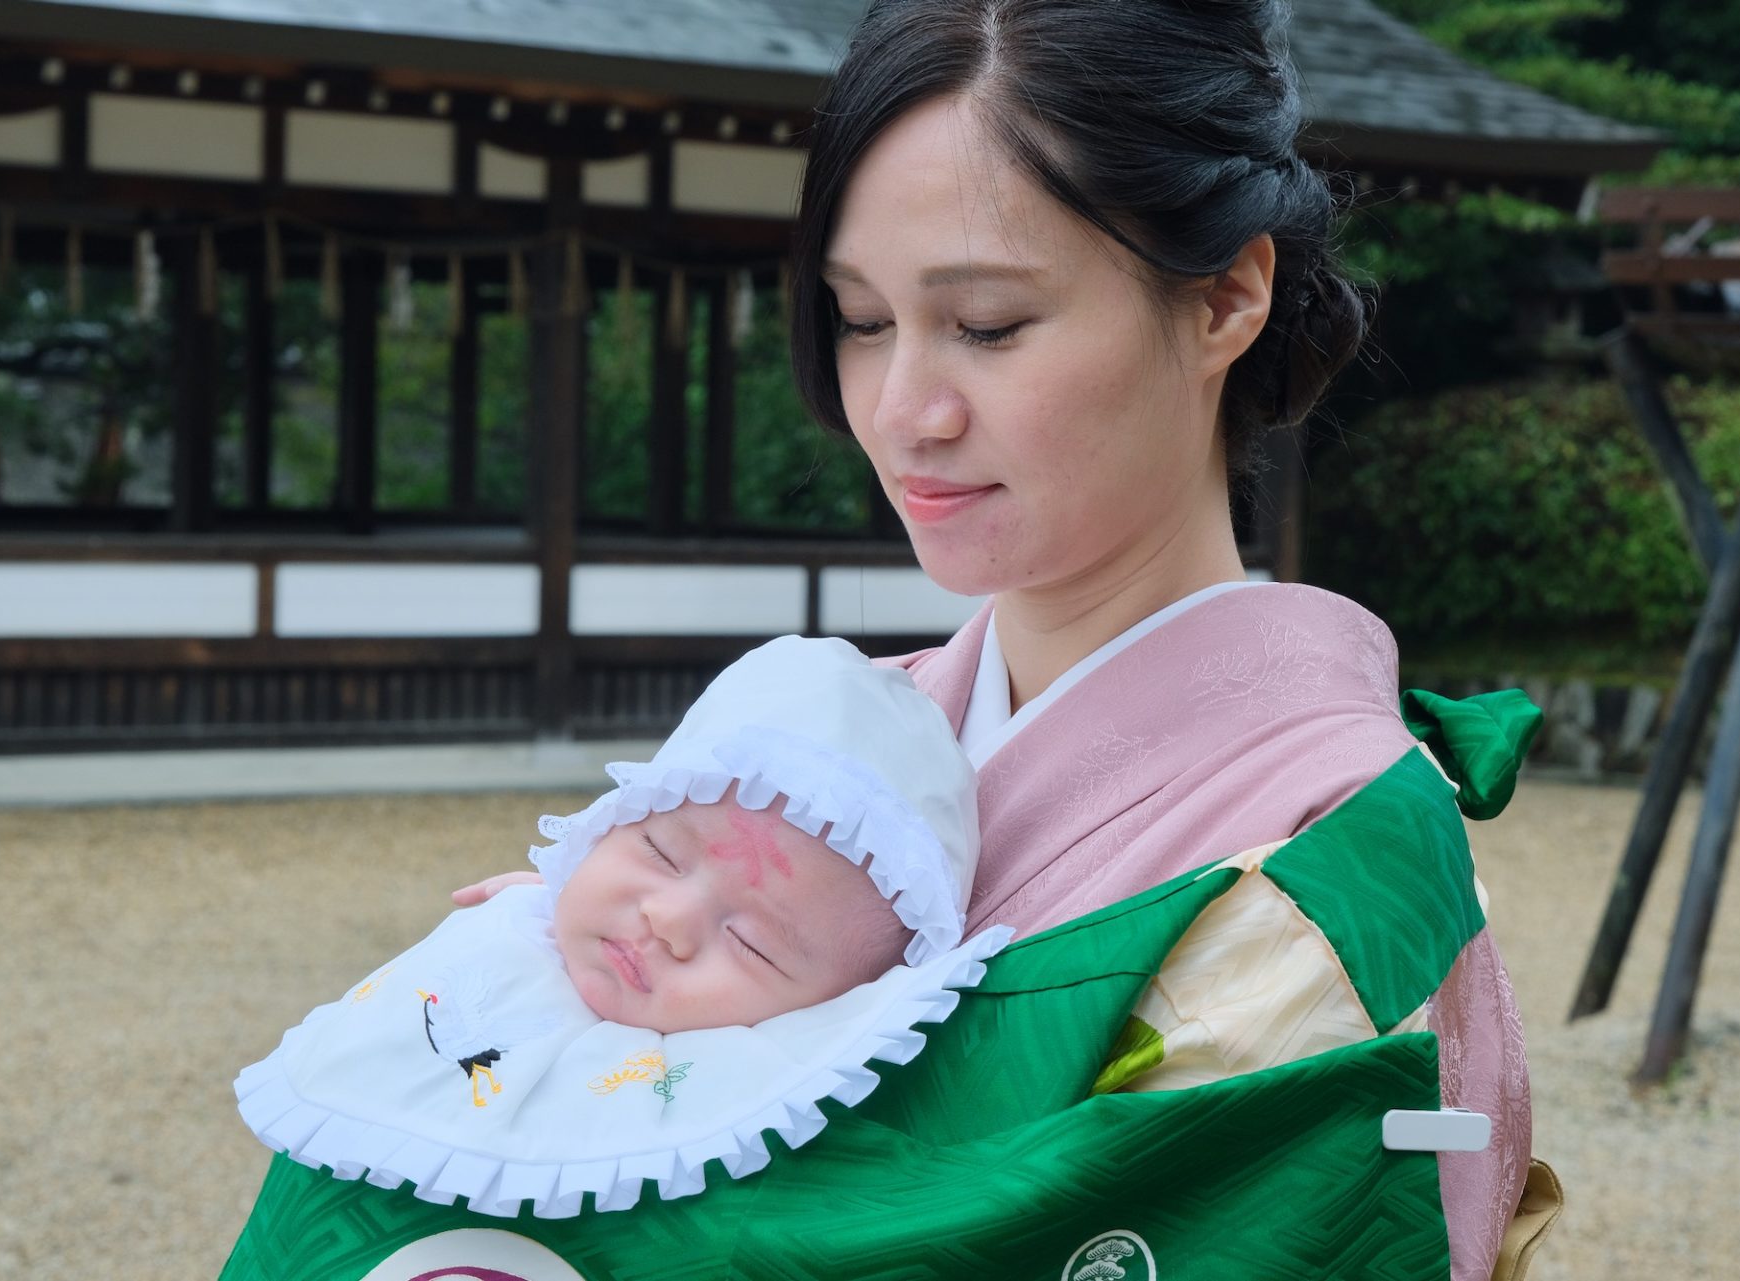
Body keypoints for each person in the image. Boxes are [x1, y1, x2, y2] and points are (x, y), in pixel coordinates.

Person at [455, 1, 1549, 1276]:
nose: (902, 411)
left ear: (1224, 300)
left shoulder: (1339, 847)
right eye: (863, 321)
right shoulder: (841, 739)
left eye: (985, 325)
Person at [228, 637, 1009, 1221]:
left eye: (752, 943)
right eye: (660, 851)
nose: (666, 920)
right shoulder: (508, 937)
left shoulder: (772, 1110)